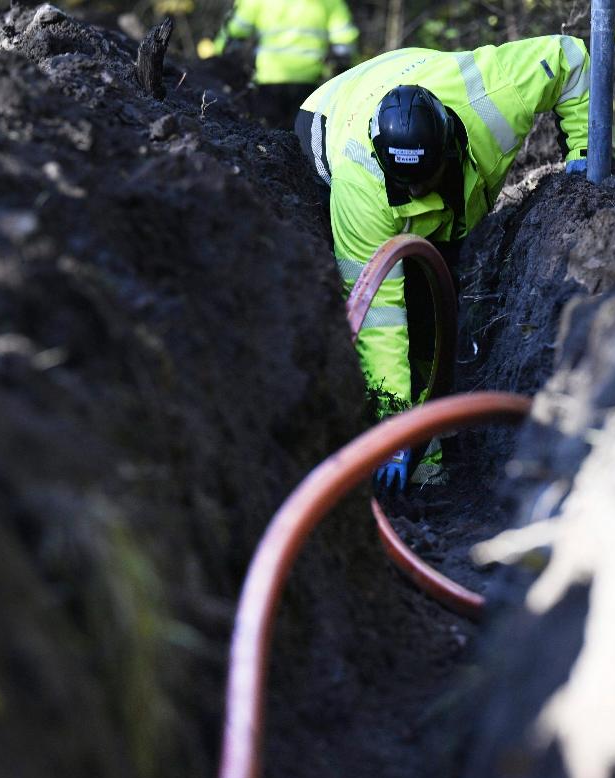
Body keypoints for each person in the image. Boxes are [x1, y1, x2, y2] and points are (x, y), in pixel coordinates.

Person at [295, 36, 592, 491]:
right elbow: (378, 315)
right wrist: (392, 430)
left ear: (449, 147)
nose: (416, 193)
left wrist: (584, 156)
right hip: (328, 117)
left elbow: (568, 57)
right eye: (407, 185)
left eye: (424, 181)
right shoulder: (361, 186)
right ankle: (420, 452)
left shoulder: (495, 95)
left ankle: (433, 425)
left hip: (408, 79)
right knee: (411, 307)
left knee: (440, 295)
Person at [216, 0, 358, 129]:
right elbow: (344, 41)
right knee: (302, 134)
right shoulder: (330, 2)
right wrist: (340, 71)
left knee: (268, 134)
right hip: (310, 80)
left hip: (269, 77)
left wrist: (218, 54)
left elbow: (235, 31)